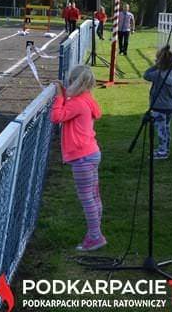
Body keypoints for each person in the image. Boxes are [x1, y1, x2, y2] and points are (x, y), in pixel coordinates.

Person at [51, 65, 106, 252]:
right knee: (94, 195)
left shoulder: (76, 103)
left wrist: (59, 97)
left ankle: (95, 236)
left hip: (82, 156)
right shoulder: (86, 99)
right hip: (91, 153)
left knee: (87, 199)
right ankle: (95, 232)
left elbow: (57, 116)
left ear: (74, 82)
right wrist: (65, 93)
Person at [143, 46, 172, 160]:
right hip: (171, 107)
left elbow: (146, 75)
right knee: (166, 128)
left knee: (161, 130)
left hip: (158, 107)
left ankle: (163, 151)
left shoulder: (158, 74)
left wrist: (156, 66)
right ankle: (166, 147)